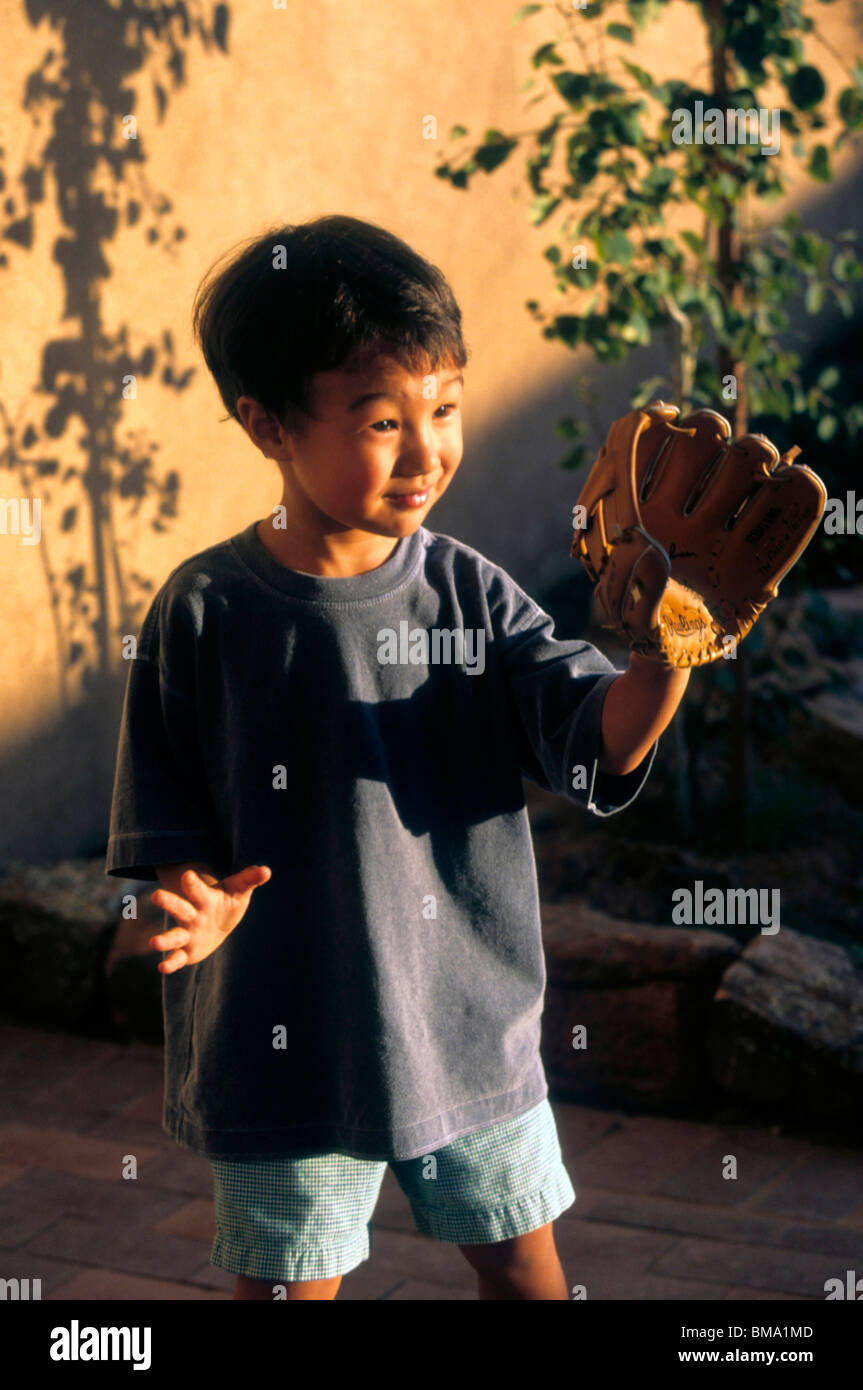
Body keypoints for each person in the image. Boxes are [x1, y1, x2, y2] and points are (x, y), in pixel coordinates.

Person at [105, 214, 690, 1300]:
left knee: (526, 1275)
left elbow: (595, 741)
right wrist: (177, 910)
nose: (426, 452)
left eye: (446, 408)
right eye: (381, 420)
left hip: (467, 1030)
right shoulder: (202, 612)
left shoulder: (468, 592)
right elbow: (157, 861)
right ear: (266, 421)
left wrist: (667, 653)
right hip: (284, 1048)